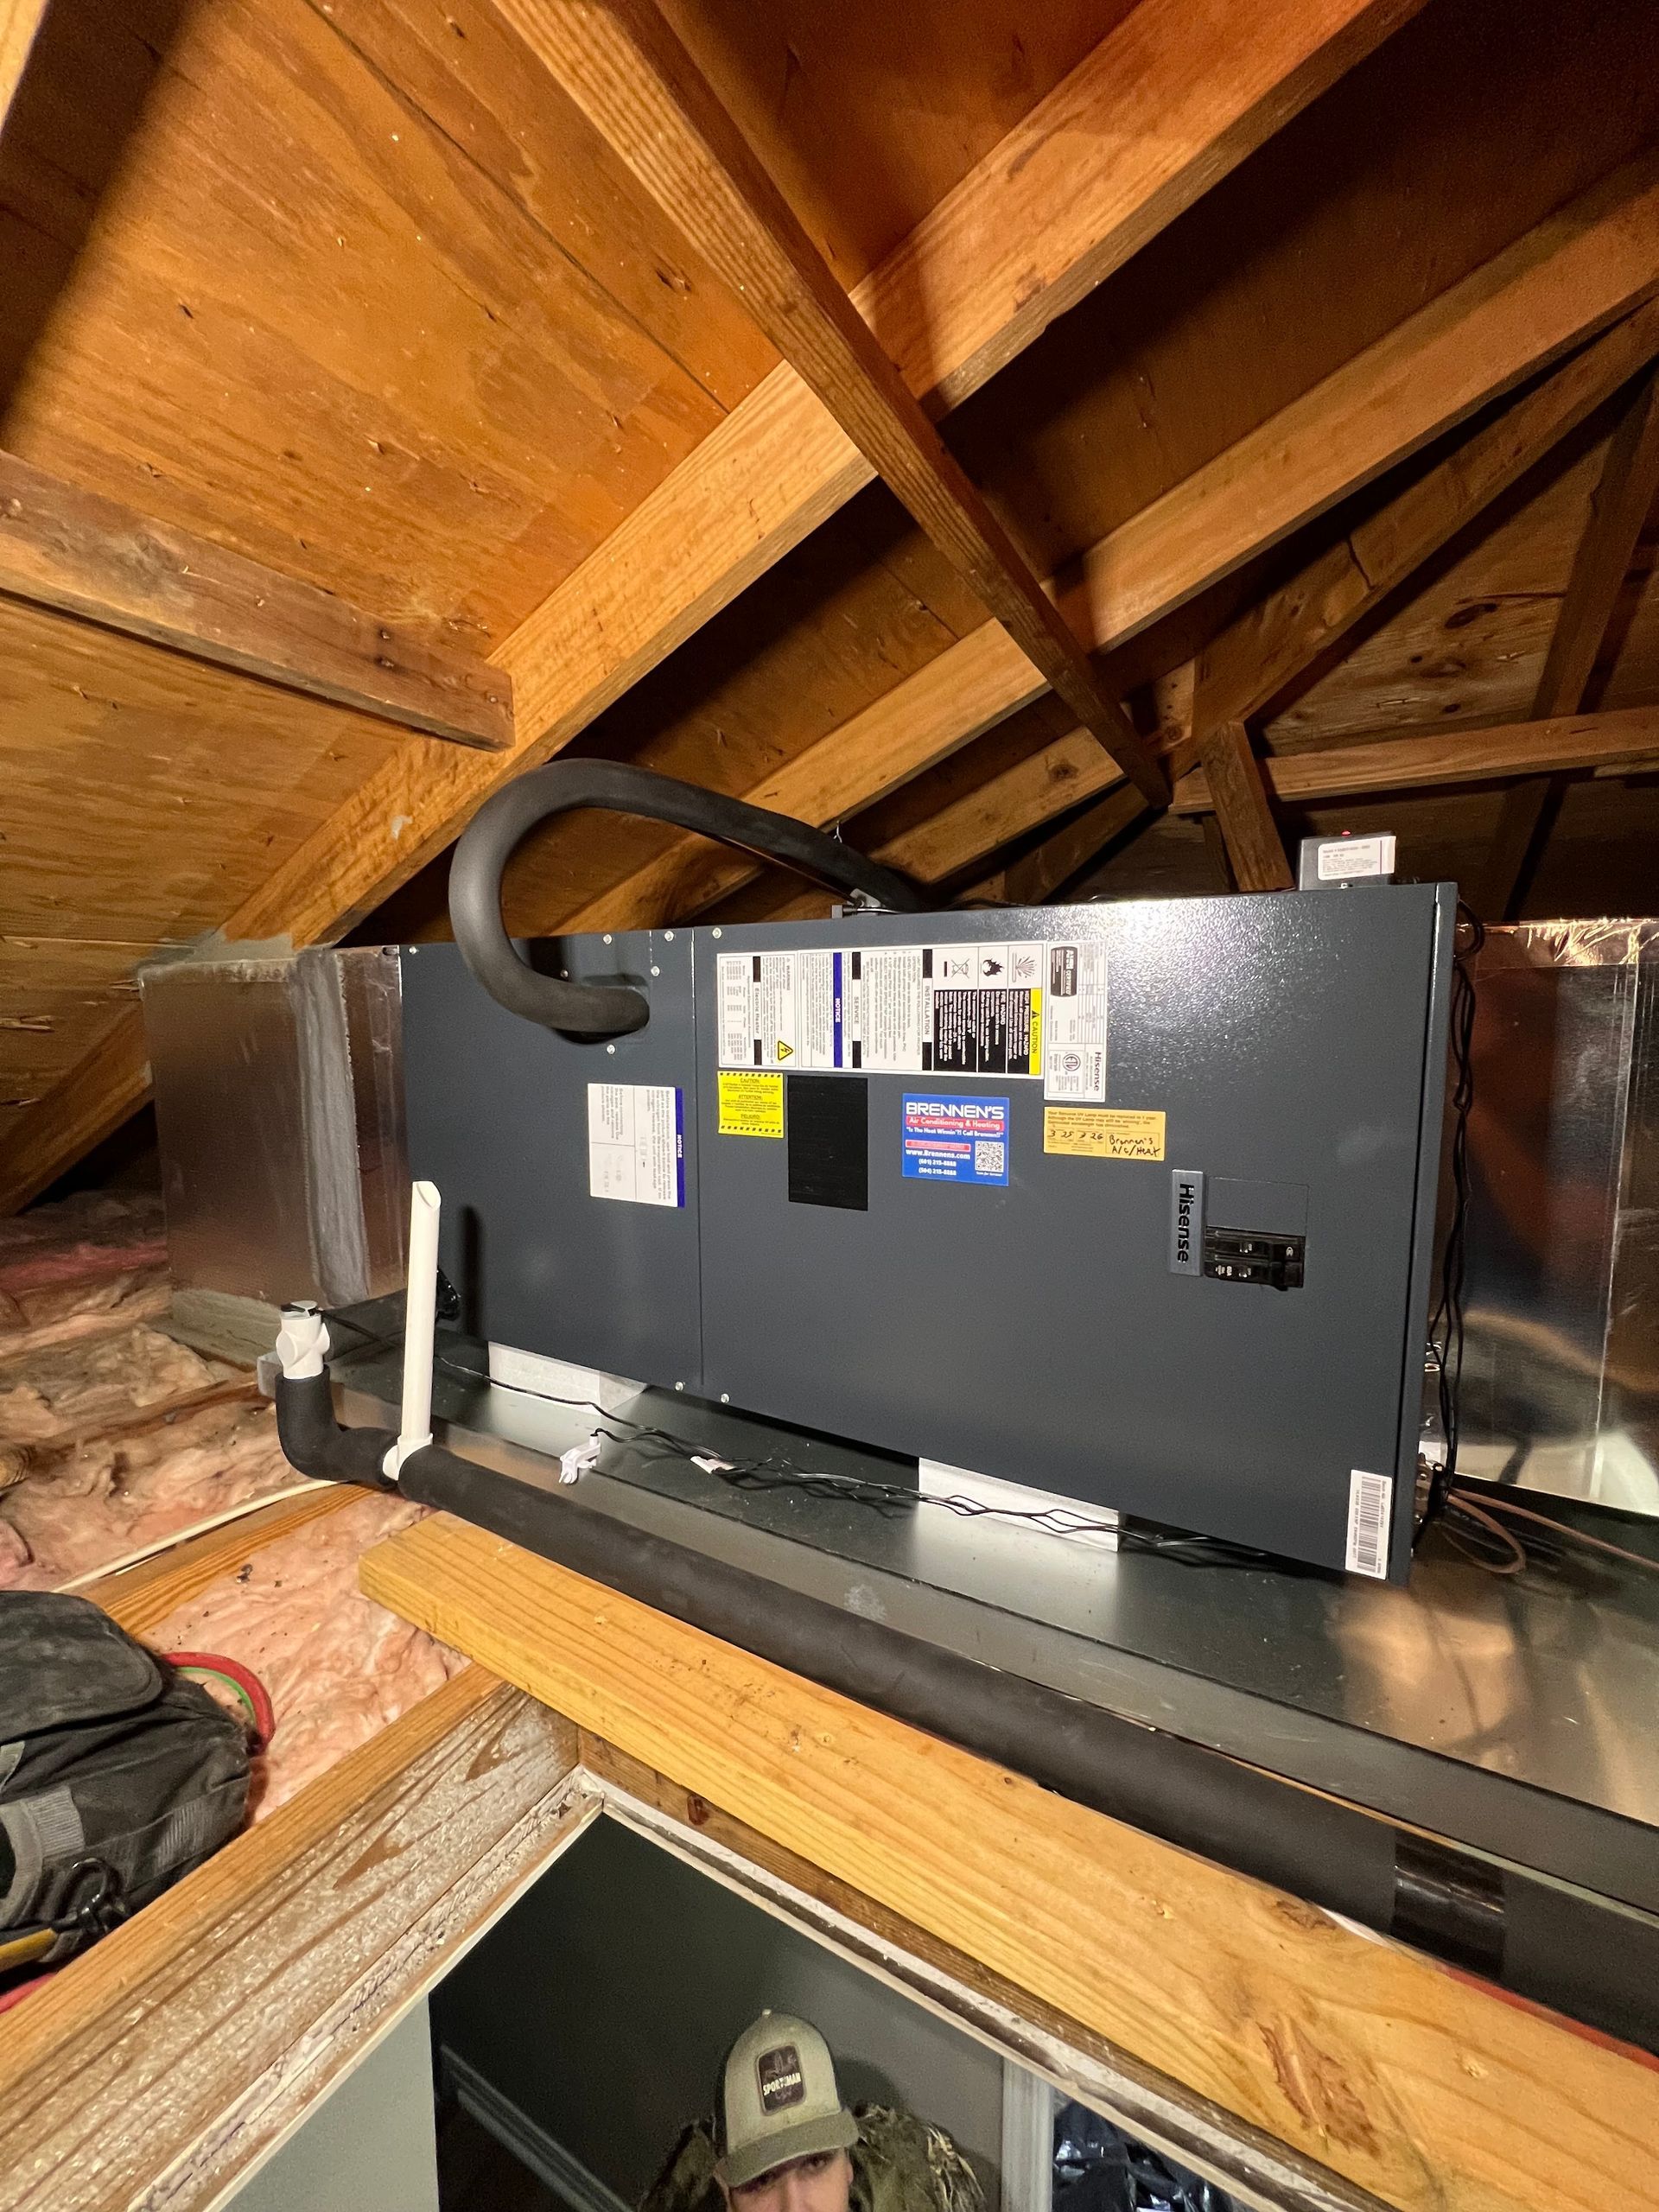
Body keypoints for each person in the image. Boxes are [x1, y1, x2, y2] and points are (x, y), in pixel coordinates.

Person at [643, 2012, 983, 2212]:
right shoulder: (680, 2196)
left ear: (848, 2164)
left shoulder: (917, 2195)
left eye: (816, 2163)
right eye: (761, 2181)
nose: (794, 2207)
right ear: (728, 2195)